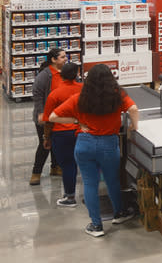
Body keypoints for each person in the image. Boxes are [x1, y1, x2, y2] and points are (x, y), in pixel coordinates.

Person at [49, 64, 139, 237]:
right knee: (112, 181)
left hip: (84, 144)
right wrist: (133, 127)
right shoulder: (117, 95)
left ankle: (96, 226)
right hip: (108, 144)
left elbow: (53, 116)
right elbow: (133, 109)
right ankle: (119, 213)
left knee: (90, 184)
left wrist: (77, 122)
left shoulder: (79, 98)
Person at [40, 62, 82, 207]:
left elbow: (48, 120)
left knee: (67, 165)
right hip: (81, 131)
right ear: (76, 74)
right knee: (80, 164)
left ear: (61, 75)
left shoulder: (55, 94)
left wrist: (46, 138)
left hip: (61, 134)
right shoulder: (83, 90)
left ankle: (70, 197)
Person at [30, 48, 66, 185]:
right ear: (54, 60)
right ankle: (36, 172)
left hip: (59, 116)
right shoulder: (45, 75)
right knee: (45, 144)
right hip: (45, 116)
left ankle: (55, 168)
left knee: (56, 141)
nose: (65, 59)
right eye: (62, 57)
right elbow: (37, 94)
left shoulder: (65, 72)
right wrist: (40, 113)